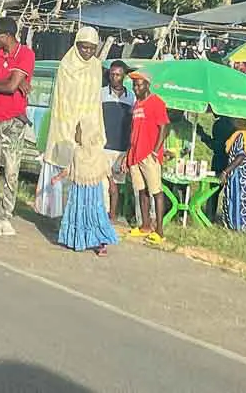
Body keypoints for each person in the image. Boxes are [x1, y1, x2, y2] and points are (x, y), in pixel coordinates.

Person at [50, 28, 118, 257]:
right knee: (74, 199)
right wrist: (71, 130)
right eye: (84, 47)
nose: (88, 52)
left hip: (90, 128)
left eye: (91, 48)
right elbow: (61, 100)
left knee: (92, 201)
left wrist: (92, 132)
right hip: (70, 125)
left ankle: (96, 237)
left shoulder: (97, 67)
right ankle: (74, 235)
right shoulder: (66, 66)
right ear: (76, 45)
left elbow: (95, 102)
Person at [0, 16, 35, 238]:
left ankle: (6, 216)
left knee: (11, 171)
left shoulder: (26, 54)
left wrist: (2, 83)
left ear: (8, 35)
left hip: (14, 120)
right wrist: (10, 80)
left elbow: (10, 87)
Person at [125, 69, 169, 245]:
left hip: (148, 154)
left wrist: (155, 151)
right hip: (135, 154)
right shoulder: (136, 105)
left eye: (139, 85)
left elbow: (164, 127)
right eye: (134, 85)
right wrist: (129, 153)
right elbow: (134, 130)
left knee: (156, 191)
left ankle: (159, 230)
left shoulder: (156, 102)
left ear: (147, 85)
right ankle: (145, 225)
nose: (136, 88)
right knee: (141, 191)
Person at [101, 59, 134, 223]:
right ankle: (102, 215)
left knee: (116, 186)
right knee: (104, 185)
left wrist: (128, 151)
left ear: (124, 76)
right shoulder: (101, 94)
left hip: (121, 148)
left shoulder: (132, 98)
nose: (115, 78)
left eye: (119, 75)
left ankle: (112, 217)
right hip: (103, 147)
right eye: (112, 74)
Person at [221, 118, 246, 234]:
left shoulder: (241, 136)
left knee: (240, 199)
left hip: (241, 175)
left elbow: (240, 156)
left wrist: (226, 172)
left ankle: (239, 225)